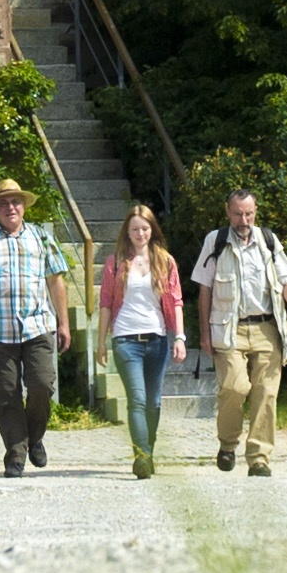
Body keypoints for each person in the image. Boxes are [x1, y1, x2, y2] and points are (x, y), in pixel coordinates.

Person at [191, 188, 287, 477]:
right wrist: (204, 332)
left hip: (268, 328)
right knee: (234, 387)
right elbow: (204, 289)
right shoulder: (215, 241)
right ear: (227, 212)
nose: (244, 219)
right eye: (238, 213)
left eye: (249, 213)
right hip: (229, 328)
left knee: (266, 393)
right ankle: (228, 444)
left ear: (255, 213)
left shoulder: (268, 241)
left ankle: (258, 458)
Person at [0, 177, 67, 476]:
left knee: (42, 385)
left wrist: (64, 324)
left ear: (23, 206)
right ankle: (16, 455)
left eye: (15, 201)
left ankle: (34, 438)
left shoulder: (40, 237)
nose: (10, 207)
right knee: (6, 394)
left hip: (38, 326)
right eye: (4, 202)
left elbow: (56, 280)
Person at [98, 201, 183, 480]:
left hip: (157, 338)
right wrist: (101, 342)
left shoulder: (166, 261)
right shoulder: (114, 263)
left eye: (144, 228)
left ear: (152, 229)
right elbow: (106, 304)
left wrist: (179, 337)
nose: (140, 234)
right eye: (134, 229)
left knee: (154, 402)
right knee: (136, 399)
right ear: (127, 232)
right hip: (125, 340)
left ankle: (149, 450)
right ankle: (141, 456)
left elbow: (177, 301)